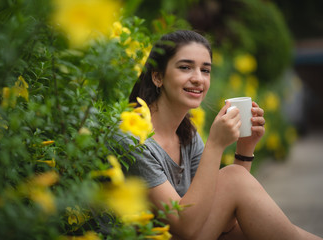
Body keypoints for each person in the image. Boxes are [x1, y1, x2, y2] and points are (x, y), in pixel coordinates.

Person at [115, 30, 322, 240]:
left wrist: (245, 148)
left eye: (205, 70)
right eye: (185, 67)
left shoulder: (187, 135)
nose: (198, 78)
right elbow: (186, 226)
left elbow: (226, 218)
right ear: (158, 76)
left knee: (248, 228)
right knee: (234, 180)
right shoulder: (132, 137)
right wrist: (215, 144)